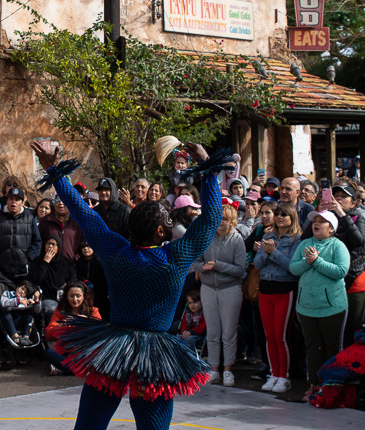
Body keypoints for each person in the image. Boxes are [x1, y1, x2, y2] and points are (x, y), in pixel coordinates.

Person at [32, 139, 225, 430]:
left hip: (112, 348)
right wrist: (207, 168)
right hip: (155, 354)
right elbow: (212, 218)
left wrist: (57, 173)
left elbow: (83, 213)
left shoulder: (116, 251)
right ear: (160, 231)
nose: (171, 220)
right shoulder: (175, 257)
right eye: (167, 219)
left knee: (89, 425)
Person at [290, 210, 351, 402]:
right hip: (306, 306)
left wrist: (317, 261)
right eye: (314, 221)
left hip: (332, 307)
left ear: (331, 229)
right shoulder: (304, 244)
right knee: (311, 347)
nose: (316, 224)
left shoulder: (337, 245)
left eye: (321, 221)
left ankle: (331, 384)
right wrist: (308, 262)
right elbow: (293, 268)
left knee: (331, 347)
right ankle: (314, 383)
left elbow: (341, 271)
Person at [192, 204, 246, 387]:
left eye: (224, 219)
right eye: (218, 218)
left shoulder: (237, 239)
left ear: (232, 222)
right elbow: (195, 262)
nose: (221, 222)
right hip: (208, 288)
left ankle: (228, 370)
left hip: (230, 289)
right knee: (213, 332)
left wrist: (218, 265)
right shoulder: (206, 237)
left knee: (229, 332)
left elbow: (240, 269)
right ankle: (214, 369)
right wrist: (203, 267)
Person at [252, 201, 302, 393]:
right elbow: (257, 264)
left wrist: (273, 252)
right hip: (266, 288)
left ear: (292, 218)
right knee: (269, 335)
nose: (280, 217)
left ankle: (284, 376)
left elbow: (293, 267)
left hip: (284, 289)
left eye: (284, 214)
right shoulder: (268, 236)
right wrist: (266, 252)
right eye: (278, 214)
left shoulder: (297, 239)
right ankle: (274, 373)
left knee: (281, 336)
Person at [323, 182, 365, 347]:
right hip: (330, 277)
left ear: (353, 202)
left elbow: (359, 241)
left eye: (344, 197)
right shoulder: (326, 217)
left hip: (354, 277)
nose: (338, 199)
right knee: (332, 327)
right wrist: (320, 212)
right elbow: (306, 239)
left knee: (352, 325)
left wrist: (343, 215)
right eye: (336, 196)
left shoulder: (358, 217)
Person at [0, 186, 41, 280]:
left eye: (17, 199)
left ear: (22, 202)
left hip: (23, 270)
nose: (13, 202)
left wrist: (28, 259)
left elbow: (37, 242)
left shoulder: (30, 219)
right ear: (7, 201)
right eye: (11, 199)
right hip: (1, 270)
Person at [45, 282, 101, 375]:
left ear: (84, 297)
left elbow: (100, 333)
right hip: (67, 352)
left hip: (86, 352)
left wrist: (87, 322)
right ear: (66, 297)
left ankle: (65, 369)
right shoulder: (60, 311)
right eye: (71, 296)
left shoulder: (93, 311)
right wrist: (62, 325)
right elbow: (48, 334)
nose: (75, 299)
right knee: (49, 353)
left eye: (78, 296)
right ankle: (79, 369)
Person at [28, 236, 77, 320]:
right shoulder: (38, 261)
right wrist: (45, 263)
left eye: (53, 244)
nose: (50, 246)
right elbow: (34, 280)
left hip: (64, 297)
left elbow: (73, 279)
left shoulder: (66, 263)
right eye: (48, 243)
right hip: (47, 297)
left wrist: (66, 287)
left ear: (59, 247)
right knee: (53, 310)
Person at [38, 196, 85, 265]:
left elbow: (83, 243)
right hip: (50, 265)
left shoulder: (77, 222)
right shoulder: (45, 221)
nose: (61, 203)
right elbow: (39, 243)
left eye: (64, 200)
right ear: (54, 203)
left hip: (72, 265)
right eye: (57, 201)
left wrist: (77, 257)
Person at [0, 279, 41, 345]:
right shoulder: (8, 294)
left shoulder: (25, 300)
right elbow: (3, 303)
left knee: (29, 317)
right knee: (7, 316)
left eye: (25, 292)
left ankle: (26, 338)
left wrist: (35, 301)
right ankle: (15, 337)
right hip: (8, 321)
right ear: (17, 287)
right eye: (22, 289)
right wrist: (17, 301)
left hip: (18, 321)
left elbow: (37, 311)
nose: (22, 292)